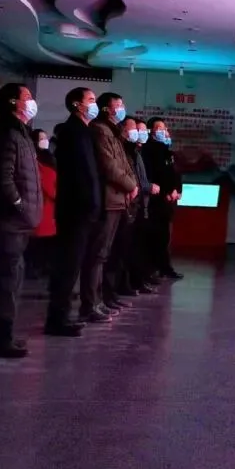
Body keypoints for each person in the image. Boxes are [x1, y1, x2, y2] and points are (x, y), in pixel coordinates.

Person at [0, 83, 42, 358]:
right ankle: (0, 339)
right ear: (13, 102)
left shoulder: (19, 131)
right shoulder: (7, 132)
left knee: (8, 278)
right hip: (7, 219)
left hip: (16, 220)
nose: (32, 101)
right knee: (7, 279)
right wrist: (19, 204)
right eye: (27, 97)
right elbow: (3, 177)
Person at [44, 87, 100, 337]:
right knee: (67, 265)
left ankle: (63, 315)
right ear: (77, 104)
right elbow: (79, 175)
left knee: (72, 265)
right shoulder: (71, 132)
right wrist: (89, 204)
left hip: (82, 208)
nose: (94, 104)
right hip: (75, 209)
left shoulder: (84, 131)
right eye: (91, 100)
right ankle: (58, 318)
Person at [86, 93, 138, 322]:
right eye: (118, 105)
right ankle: (91, 303)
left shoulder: (113, 132)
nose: (122, 108)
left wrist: (132, 184)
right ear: (106, 109)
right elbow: (109, 166)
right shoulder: (100, 130)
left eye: (122, 104)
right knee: (97, 254)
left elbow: (124, 164)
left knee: (105, 254)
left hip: (118, 199)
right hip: (108, 199)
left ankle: (100, 300)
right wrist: (130, 185)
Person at [108, 117, 156, 299]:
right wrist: (139, 187)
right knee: (118, 251)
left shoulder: (135, 152)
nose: (139, 132)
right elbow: (127, 176)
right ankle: (114, 290)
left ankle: (126, 284)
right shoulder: (124, 150)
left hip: (137, 203)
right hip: (126, 203)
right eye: (135, 128)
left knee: (131, 249)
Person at [144, 117, 183, 281]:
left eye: (165, 128)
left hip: (169, 200)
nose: (164, 131)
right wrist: (166, 191)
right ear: (151, 131)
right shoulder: (149, 150)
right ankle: (153, 270)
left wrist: (177, 190)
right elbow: (155, 175)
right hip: (157, 200)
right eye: (159, 128)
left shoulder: (168, 151)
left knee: (165, 237)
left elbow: (175, 174)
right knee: (156, 237)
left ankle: (164, 268)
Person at [28, 128, 57, 281]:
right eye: (41, 139)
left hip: (50, 207)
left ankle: (42, 266)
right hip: (43, 205)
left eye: (46, 138)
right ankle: (35, 268)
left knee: (46, 241)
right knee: (38, 241)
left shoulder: (49, 158)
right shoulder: (35, 161)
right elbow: (47, 184)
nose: (45, 141)